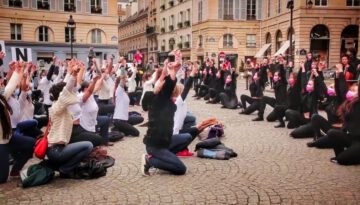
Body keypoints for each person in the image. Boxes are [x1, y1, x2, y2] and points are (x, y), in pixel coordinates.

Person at [142, 50, 190, 176]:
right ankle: (150, 160)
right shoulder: (158, 100)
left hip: (166, 140)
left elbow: (172, 82)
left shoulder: (163, 99)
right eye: (162, 82)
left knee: (187, 137)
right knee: (181, 169)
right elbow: (170, 84)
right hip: (155, 145)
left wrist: (176, 65)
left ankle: (166, 155)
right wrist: (172, 71)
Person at [46, 62, 93, 178]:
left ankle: (64, 166)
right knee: (88, 145)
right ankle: (65, 169)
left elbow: (68, 88)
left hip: (59, 148)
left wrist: (72, 72)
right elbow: (66, 90)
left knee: (85, 144)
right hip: (55, 150)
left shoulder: (60, 106)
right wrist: (73, 75)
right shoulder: (57, 107)